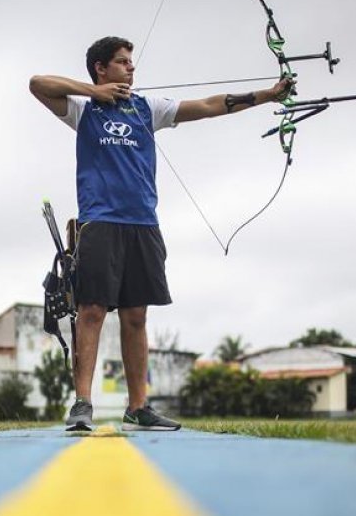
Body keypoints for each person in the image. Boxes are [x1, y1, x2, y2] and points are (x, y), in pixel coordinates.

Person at [29, 36, 292, 431]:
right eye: (121, 62)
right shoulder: (82, 110)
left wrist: (268, 95)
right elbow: (37, 83)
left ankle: (138, 406)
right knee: (92, 311)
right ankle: (83, 403)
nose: (131, 68)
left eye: (131, 61)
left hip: (143, 224)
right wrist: (94, 92)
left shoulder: (146, 107)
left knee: (136, 316)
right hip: (100, 222)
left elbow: (206, 106)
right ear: (101, 68)